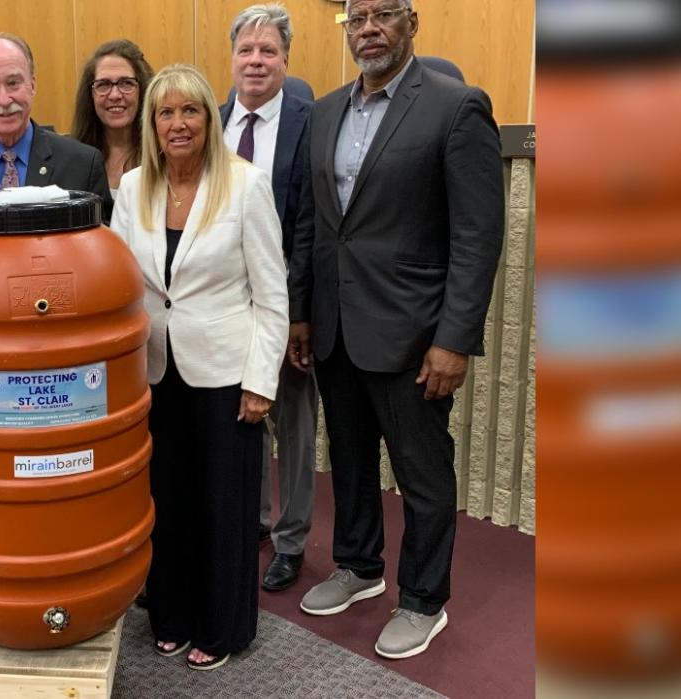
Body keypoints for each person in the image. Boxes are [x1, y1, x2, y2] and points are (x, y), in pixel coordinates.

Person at [290, 0, 503, 659]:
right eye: (357, 19)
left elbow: (476, 236)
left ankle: (422, 599)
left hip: (415, 335)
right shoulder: (324, 112)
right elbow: (312, 223)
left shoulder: (455, 105)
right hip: (335, 327)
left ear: (413, 22)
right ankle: (357, 565)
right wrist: (301, 312)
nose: (369, 29)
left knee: (422, 472)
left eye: (384, 15)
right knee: (349, 459)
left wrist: (454, 339)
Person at [111, 63, 289, 671]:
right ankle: (173, 613)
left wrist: (261, 382)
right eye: (166, 113)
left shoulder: (245, 185)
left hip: (226, 377)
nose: (178, 123)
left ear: (208, 120)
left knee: (224, 506)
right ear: (152, 125)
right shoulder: (133, 188)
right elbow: (120, 282)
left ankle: (225, 627)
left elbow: (272, 294)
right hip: (154, 373)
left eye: (191, 110)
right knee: (167, 499)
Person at [217, 3, 317, 593]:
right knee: (240, 415)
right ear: (231, 59)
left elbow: (309, 226)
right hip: (228, 306)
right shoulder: (214, 121)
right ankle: (251, 522)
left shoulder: (311, 120)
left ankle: (292, 538)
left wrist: (298, 313)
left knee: (294, 425)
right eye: (246, 50)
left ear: (285, 59)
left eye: (268, 51)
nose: (256, 61)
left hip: (287, 305)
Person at [0, 33, 113, 223]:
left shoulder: (82, 165)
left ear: (32, 85)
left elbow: (99, 246)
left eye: (13, 83)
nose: (4, 99)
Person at [70, 39, 154, 211]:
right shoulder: (72, 159)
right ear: (90, 95)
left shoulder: (161, 156)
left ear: (143, 90)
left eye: (126, 83)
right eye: (104, 85)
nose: (115, 95)